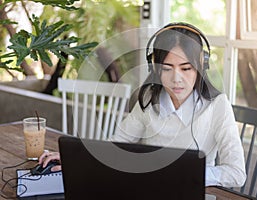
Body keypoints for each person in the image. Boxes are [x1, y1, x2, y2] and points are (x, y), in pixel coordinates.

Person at [39, 22, 246, 187]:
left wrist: (180, 174)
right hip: (148, 189)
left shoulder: (218, 106)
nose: (176, 79)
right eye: (167, 69)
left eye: (186, 68)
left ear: (202, 66)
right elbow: (116, 146)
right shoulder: (148, 99)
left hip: (189, 190)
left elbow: (237, 174)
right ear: (155, 69)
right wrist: (75, 161)